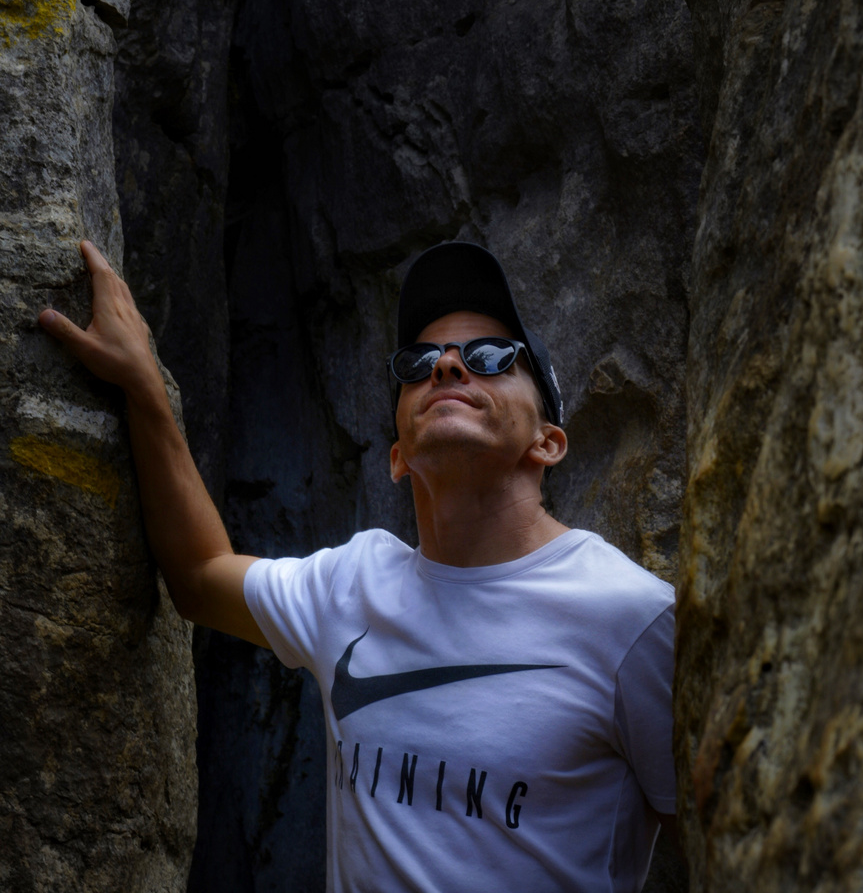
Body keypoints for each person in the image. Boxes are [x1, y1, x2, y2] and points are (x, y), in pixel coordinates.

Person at [40, 239, 677, 892]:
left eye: (490, 357)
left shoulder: (631, 618)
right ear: (398, 457)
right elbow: (201, 576)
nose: (449, 367)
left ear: (549, 442)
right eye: (418, 362)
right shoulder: (353, 582)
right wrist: (144, 382)